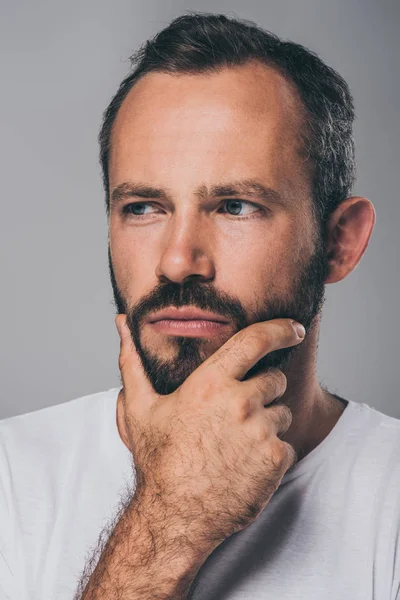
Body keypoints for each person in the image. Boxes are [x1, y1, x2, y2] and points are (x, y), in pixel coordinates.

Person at [1, 11, 399, 600]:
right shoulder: (10, 476)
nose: (178, 261)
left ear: (339, 242)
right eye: (143, 207)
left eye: (235, 206)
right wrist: (174, 518)